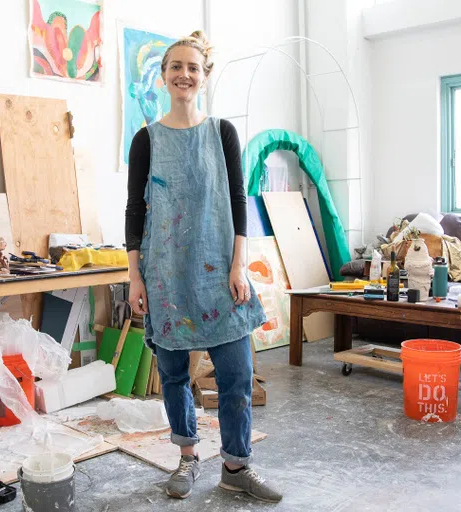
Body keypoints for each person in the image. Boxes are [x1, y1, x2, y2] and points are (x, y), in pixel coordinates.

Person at [124, 30, 282, 503]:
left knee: (236, 376)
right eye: (175, 67)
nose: (184, 75)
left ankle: (236, 466)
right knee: (174, 376)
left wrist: (239, 266)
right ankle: (187, 457)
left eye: (193, 67)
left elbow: (238, 202)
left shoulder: (223, 133)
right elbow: (135, 210)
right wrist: (135, 275)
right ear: (163, 75)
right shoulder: (145, 139)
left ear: (204, 76)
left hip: (220, 274)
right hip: (166, 275)